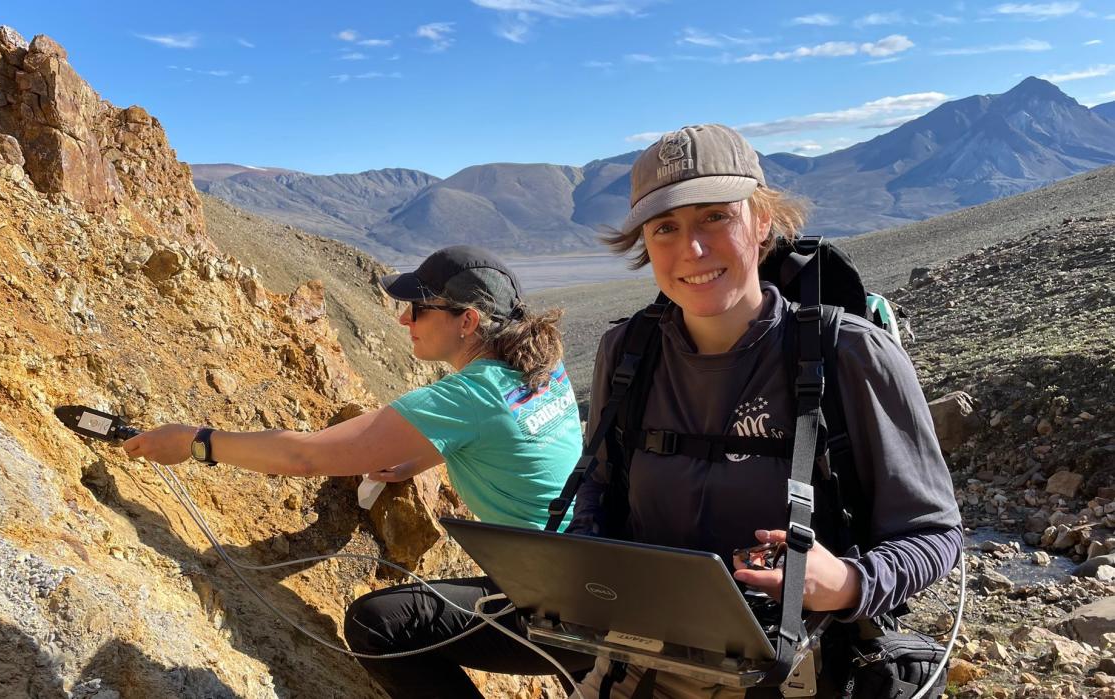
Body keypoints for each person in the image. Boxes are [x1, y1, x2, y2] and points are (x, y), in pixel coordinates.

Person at [566, 125, 962, 698]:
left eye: (714, 217)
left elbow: (934, 533)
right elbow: (599, 489)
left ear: (762, 223)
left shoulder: (848, 353)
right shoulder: (627, 353)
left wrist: (850, 583)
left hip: (799, 672)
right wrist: (581, 577)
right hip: (639, 661)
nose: (691, 250)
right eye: (664, 228)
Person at [123, 245, 592, 696]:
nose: (404, 319)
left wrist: (194, 442)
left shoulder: (470, 396)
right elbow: (506, 433)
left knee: (378, 623)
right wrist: (418, 458)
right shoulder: (539, 367)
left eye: (419, 308)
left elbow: (304, 457)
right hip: (601, 581)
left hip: (557, 607)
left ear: (467, 321)